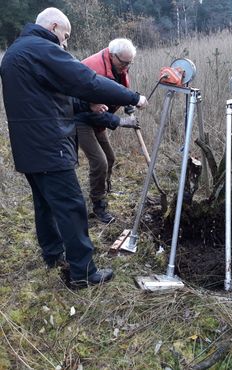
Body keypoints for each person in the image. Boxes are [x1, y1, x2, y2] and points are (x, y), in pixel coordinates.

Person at [0, 7, 148, 287]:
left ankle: (53, 255)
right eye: (65, 35)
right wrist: (133, 96)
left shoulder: (16, 52)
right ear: (54, 26)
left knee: (44, 204)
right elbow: (86, 80)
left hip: (28, 145)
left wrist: (85, 105)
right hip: (49, 144)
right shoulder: (42, 49)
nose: (65, 43)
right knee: (71, 207)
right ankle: (83, 273)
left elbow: (47, 98)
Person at [76, 39, 139, 224]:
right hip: (81, 120)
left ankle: (104, 190)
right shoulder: (93, 70)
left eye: (130, 63)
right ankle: (98, 205)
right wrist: (120, 121)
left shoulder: (118, 66)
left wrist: (128, 101)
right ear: (112, 56)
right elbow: (88, 110)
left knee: (110, 158)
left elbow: (117, 90)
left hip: (98, 120)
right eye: (124, 63)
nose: (126, 67)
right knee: (100, 162)